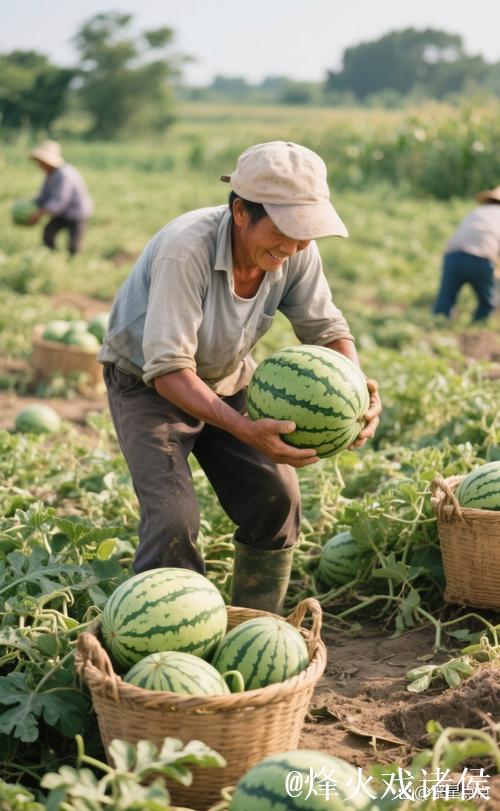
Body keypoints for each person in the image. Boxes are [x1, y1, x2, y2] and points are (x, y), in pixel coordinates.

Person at [98, 141, 382, 613]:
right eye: (285, 231)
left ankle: (254, 621)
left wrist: (358, 388)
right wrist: (245, 429)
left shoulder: (295, 253)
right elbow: (168, 369)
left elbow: (327, 328)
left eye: (305, 234)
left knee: (277, 498)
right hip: (148, 386)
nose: (291, 247)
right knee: (172, 520)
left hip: (228, 379)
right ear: (240, 212)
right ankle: (167, 642)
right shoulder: (184, 250)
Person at [433, 186, 500, 321]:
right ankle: (478, 327)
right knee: (488, 302)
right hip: (480, 259)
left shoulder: (477, 212)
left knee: (445, 300)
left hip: (453, 257)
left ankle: (439, 326)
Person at [27, 140, 93, 256]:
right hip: (63, 213)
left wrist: (39, 214)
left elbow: (60, 200)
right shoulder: (50, 174)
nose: (39, 165)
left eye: (41, 161)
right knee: (48, 233)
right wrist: (30, 206)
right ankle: (53, 257)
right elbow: (43, 196)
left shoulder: (64, 174)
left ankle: (72, 265)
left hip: (77, 213)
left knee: (74, 247)